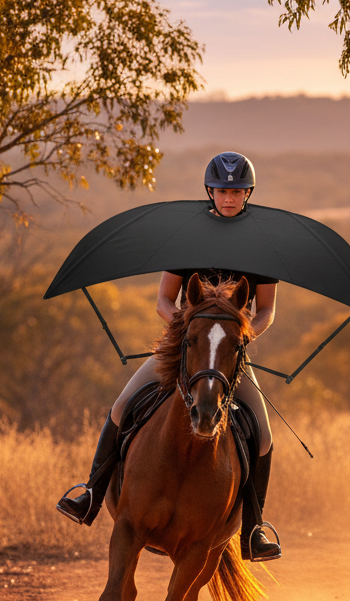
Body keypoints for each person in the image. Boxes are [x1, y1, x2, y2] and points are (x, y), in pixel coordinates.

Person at [56, 151, 281, 562]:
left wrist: (245, 331)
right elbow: (163, 299)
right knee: (122, 408)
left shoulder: (263, 246)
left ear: (247, 193)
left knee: (263, 437)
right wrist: (186, 326)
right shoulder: (188, 238)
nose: (228, 198)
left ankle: (254, 529)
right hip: (181, 347)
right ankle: (89, 494)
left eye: (236, 191)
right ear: (209, 192)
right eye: (222, 190)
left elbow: (266, 310)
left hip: (230, 353)